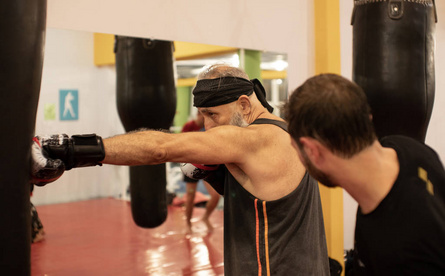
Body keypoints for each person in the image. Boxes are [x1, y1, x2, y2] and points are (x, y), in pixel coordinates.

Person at [31, 64, 330, 275]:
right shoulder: (283, 132)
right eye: (203, 116)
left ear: (243, 104)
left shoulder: (254, 139)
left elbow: (160, 148)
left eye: (213, 115)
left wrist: (69, 150)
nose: (208, 127)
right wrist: (216, 174)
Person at [285, 73, 445, 275]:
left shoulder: (403, 248)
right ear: (367, 119)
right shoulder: (408, 148)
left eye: (295, 148)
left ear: (312, 151)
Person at [180, 112, 221, 234]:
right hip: (190, 165)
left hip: (206, 165)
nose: (202, 119)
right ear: (198, 115)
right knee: (190, 196)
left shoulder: (209, 128)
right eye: (201, 115)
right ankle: (188, 223)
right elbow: (181, 145)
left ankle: (206, 217)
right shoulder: (189, 127)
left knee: (215, 195)